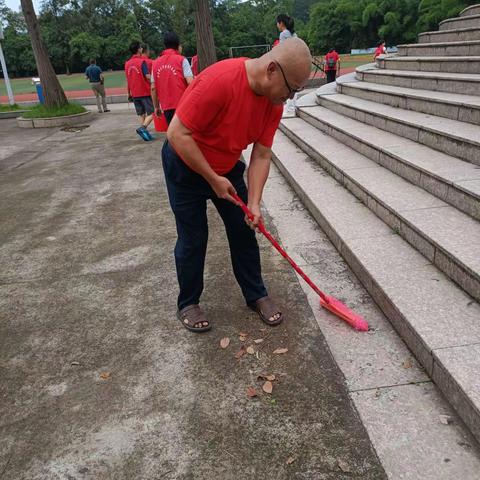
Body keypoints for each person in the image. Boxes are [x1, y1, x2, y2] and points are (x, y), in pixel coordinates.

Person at [163, 37, 312, 332]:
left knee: (245, 228)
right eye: (291, 89)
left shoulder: (273, 104)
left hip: (226, 166)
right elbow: (177, 133)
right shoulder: (220, 81)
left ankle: (255, 294)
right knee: (194, 237)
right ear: (271, 70)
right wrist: (211, 178)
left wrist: (254, 202)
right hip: (185, 164)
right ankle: (188, 302)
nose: (290, 97)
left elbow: (261, 153)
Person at [151, 32, 194, 126]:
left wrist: (156, 107)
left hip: (166, 106)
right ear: (178, 46)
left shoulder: (155, 63)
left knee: (172, 132)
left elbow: (153, 88)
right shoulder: (182, 60)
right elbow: (190, 82)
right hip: (183, 105)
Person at [125, 41, 154, 141]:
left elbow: (128, 80)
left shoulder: (127, 64)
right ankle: (143, 128)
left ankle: (144, 134)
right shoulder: (142, 62)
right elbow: (147, 76)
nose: (142, 49)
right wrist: (155, 80)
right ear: (139, 49)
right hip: (144, 92)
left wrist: (128, 93)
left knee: (141, 114)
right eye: (141, 48)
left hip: (134, 93)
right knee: (152, 113)